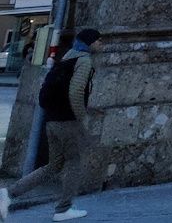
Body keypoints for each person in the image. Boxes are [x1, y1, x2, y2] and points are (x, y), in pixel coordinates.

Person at [0, 27, 100, 220]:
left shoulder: (68, 56)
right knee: (74, 162)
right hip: (67, 121)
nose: (100, 44)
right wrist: (80, 117)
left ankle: (9, 193)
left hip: (52, 119)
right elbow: (76, 91)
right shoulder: (84, 61)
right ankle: (63, 209)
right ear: (90, 42)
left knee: (53, 165)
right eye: (98, 40)